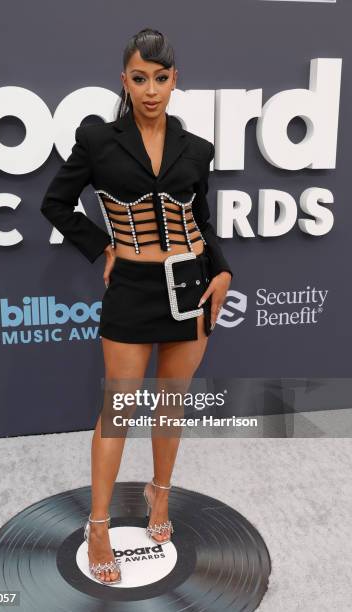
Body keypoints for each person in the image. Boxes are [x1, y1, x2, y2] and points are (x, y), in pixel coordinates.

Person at [40, 28, 233, 585]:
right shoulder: (100, 139)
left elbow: (204, 220)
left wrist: (221, 269)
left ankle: (160, 493)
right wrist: (101, 245)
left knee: (171, 406)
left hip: (190, 287)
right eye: (141, 77)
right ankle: (97, 525)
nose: (152, 89)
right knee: (118, 411)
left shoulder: (196, 149)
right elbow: (55, 202)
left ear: (176, 80)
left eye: (162, 78)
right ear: (124, 80)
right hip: (131, 288)